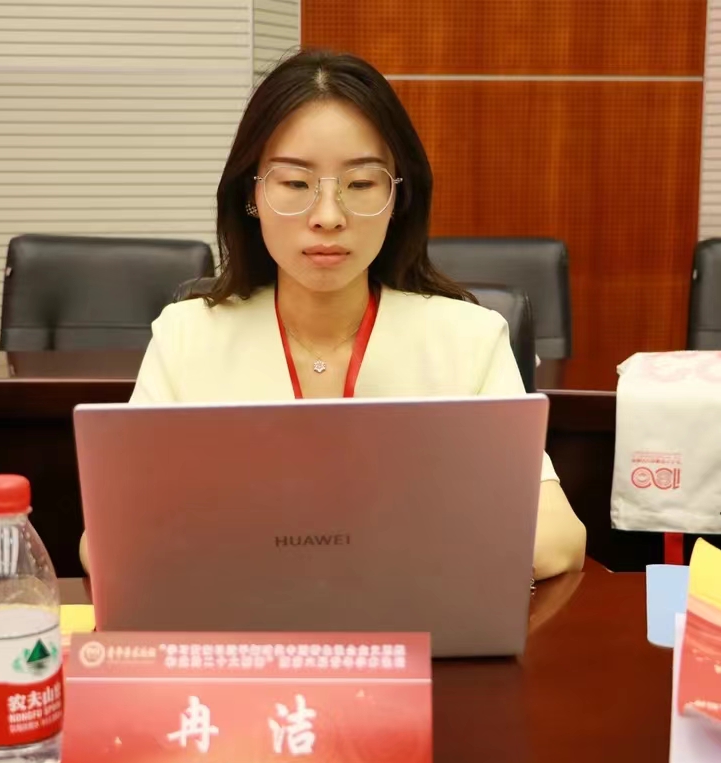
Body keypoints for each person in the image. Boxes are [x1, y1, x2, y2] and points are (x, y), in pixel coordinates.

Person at [79, 49, 585, 579]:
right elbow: (108, 540)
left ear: (398, 198)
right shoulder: (187, 337)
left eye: (361, 184)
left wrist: (349, 561)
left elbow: (558, 537)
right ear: (252, 195)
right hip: (243, 625)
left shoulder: (469, 339)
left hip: (413, 623)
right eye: (295, 184)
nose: (327, 216)